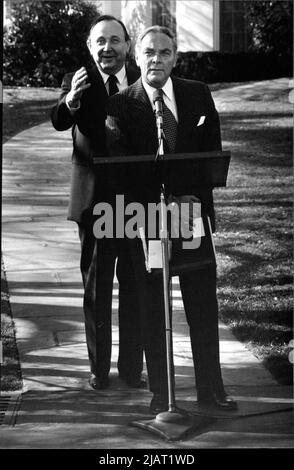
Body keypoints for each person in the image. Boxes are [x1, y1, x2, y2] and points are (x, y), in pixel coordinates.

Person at [105, 25, 237, 413]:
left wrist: (190, 199)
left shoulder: (197, 93)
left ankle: (211, 389)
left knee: (202, 303)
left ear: (175, 57)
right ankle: (162, 394)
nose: (156, 60)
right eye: (148, 53)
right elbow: (120, 169)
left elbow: (211, 153)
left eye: (164, 53)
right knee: (152, 307)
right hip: (146, 221)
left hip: (191, 213)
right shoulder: (121, 105)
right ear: (136, 57)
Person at [51, 15, 145, 391]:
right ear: (91, 47)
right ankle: (98, 369)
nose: (107, 48)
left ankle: (131, 369)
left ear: (127, 44)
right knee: (97, 286)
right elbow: (58, 118)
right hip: (95, 204)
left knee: (136, 284)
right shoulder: (80, 80)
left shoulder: (143, 76)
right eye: (99, 42)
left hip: (137, 203)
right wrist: (71, 101)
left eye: (114, 40)